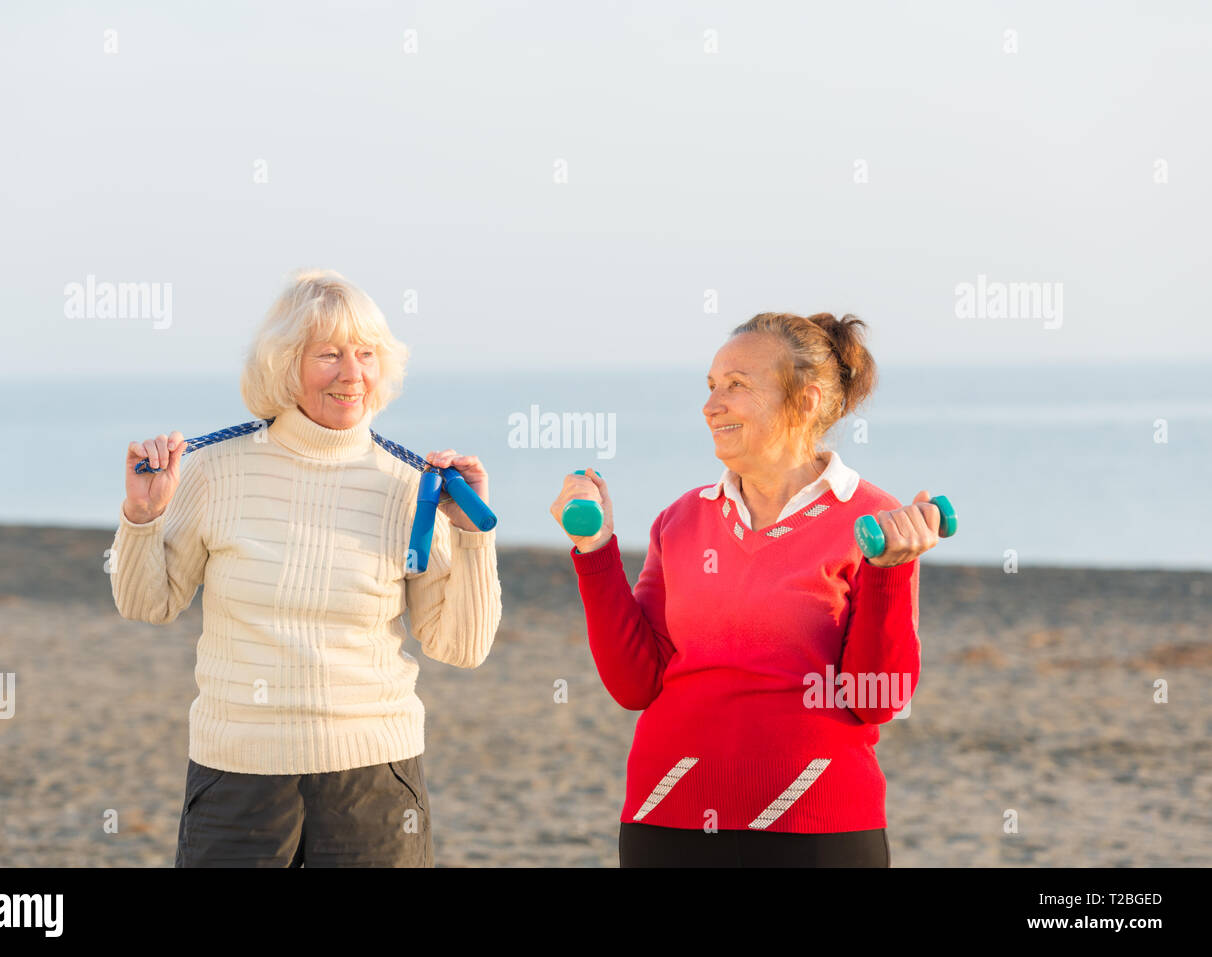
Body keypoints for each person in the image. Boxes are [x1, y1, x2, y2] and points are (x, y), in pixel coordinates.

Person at [110, 268, 502, 867]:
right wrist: (143, 518)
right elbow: (147, 604)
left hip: (373, 781)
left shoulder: (411, 485)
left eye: (366, 354)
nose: (352, 374)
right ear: (284, 365)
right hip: (237, 778)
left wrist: (473, 534)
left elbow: (462, 646)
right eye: (329, 355)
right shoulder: (215, 471)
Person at [551, 312, 937, 867]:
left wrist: (891, 572)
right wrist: (595, 552)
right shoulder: (680, 520)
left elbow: (877, 700)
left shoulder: (873, 518)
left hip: (817, 828)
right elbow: (635, 684)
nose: (712, 406)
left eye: (736, 386)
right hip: (667, 819)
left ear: (804, 401)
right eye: (711, 387)